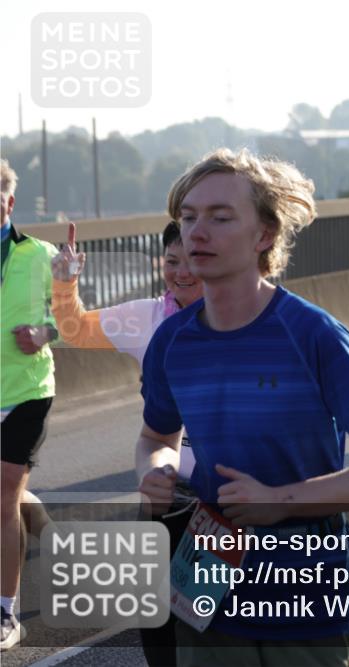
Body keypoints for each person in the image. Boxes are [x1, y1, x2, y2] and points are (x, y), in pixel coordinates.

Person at [136, 149, 349, 666]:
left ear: (264, 235)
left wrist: (281, 502)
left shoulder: (312, 334)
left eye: (221, 217)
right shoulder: (172, 341)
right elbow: (157, 437)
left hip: (304, 599)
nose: (197, 232)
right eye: (189, 217)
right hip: (206, 595)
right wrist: (155, 470)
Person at [51, 219, 203, 664]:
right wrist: (65, 284)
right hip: (166, 491)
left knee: (216, 624)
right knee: (156, 620)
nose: (181, 272)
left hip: (225, 500)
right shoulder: (148, 318)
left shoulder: (247, 321)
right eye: (172, 261)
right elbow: (76, 329)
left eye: (193, 260)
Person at [1, 159, 59, 651]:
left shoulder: (40, 254)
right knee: (11, 495)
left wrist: (43, 332)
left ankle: (5, 612)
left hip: (26, 391)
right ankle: (59, 543)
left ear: (10, 201)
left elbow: (70, 317)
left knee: (2, 496)